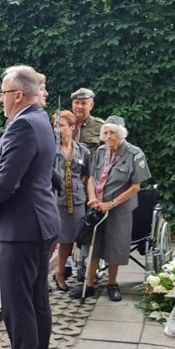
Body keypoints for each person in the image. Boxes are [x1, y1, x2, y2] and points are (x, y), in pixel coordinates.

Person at [0, 65, 60, 349]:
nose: (0, 99)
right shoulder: (41, 120)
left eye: (3, 92)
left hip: (22, 228)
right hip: (39, 225)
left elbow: (8, 180)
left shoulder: (24, 124)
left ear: (19, 95)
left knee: (17, 304)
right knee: (37, 299)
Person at [70, 116, 151, 302]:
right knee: (93, 245)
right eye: (105, 132)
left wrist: (112, 203)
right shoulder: (100, 151)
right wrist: (92, 197)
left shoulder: (134, 154)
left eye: (112, 132)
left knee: (115, 247)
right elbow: (91, 177)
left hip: (119, 210)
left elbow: (135, 187)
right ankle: (89, 285)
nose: (108, 136)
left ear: (121, 134)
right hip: (97, 207)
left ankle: (112, 284)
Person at [51, 110, 90, 291]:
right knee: (50, 239)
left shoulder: (82, 150)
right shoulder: (49, 148)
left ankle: (60, 273)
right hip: (54, 199)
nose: (57, 129)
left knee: (68, 238)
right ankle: (40, 278)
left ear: (72, 127)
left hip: (76, 200)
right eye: (55, 125)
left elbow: (86, 175)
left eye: (61, 125)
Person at [70, 87, 104, 281]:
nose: (80, 106)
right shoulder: (65, 124)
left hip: (90, 188)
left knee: (88, 226)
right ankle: (66, 264)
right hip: (68, 187)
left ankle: (86, 266)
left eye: (84, 103)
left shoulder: (100, 128)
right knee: (67, 227)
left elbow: (107, 158)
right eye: (77, 102)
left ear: (91, 105)